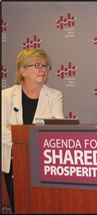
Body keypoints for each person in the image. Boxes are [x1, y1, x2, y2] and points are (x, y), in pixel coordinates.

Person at [1, 48, 65, 213]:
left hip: (45, 164)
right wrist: (35, 133)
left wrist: (15, 131)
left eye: (45, 66)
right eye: (37, 65)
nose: (43, 70)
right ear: (23, 70)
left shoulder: (55, 95)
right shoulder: (6, 96)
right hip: (13, 165)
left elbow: (55, 131)